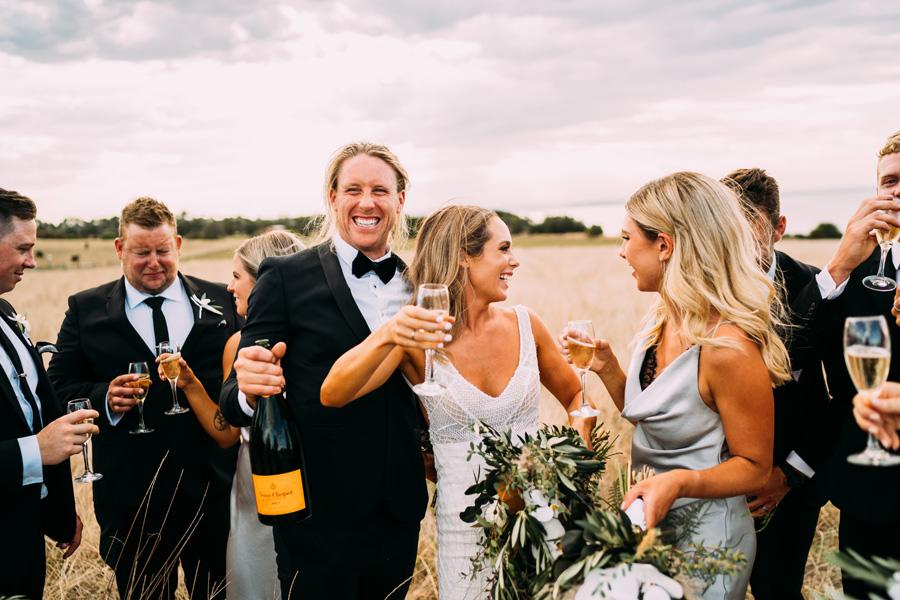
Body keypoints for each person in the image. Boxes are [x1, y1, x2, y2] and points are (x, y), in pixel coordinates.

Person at [320, 205, 593, 599]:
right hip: (464, 532)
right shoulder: (416, 340)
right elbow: (334, 393)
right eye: (503, 249)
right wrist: (389, 333)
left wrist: (574, 452)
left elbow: (574, 395)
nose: (513, 261)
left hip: (542, 515)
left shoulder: (525, 323)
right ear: (465, 256)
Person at [219, 142, 427, 600]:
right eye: (353, 189)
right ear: (332, 198)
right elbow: (234, 396)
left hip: (398, 507)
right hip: (316, 512)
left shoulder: (418, 283)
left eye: (380, 190)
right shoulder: (285, 276)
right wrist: (248, 390)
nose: (367, 202)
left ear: (400, 200)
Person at [574, 172, 791, 599]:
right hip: (654, 527)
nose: (621, 252)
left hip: (708, 541)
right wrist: (609, 368)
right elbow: (660, 418)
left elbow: (755, 467)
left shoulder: (727, 349)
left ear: (665, 245)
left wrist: (676, 483)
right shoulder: (662, 319)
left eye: (626, 237)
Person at [47, 197, 241, 600]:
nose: (154, 262)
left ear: (179, 245)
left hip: (213, 492)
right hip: (131, 498)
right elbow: (58, 385)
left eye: (163, 250)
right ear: (120, 249)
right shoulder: (85, 310)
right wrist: (103, 398)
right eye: (141, 252)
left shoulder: (222, 301)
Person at [157, 229, 304, 600]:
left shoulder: (314, 339)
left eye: (237, 276)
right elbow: (226, 434)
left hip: (308, 484)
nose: (229, 286)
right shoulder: (237, 345)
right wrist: (190, 384)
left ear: (265, 281)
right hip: (250, 489)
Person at [789, 130, 900, 597]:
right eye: (889, 181)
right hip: (871, 494)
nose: (898, 191)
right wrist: (836, 266)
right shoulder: (859, 274)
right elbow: (791, 354)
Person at [722, 168, 829, 600]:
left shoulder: (816, 285)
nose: (737, 243)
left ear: (779, 228)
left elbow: (840, 398)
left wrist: (787, 476)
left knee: (778, 590)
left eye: (750, 227)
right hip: (712, 483)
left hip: (786, 487)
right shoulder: (701, 290)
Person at [0, 188, 98, 599]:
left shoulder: (5, 314)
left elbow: (34, 410)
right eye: (23, 248)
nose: (32, 261)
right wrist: (34, 452)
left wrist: (58, 513)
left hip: (23, 540)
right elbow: (37, 443)